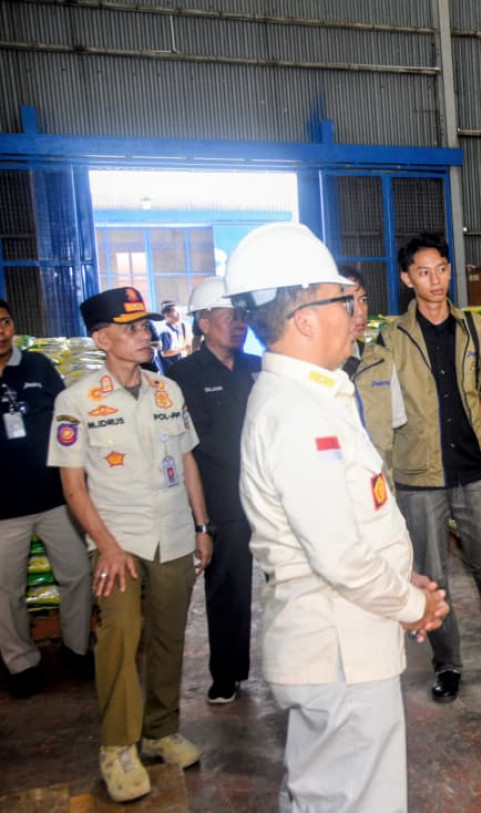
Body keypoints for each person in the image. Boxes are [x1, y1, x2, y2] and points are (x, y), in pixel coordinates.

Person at [224, 222, 448, 812]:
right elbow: (339, 555)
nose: (354, 313)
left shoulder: (316, 396)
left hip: (348, 635)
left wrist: (403, 586)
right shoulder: (300, 414)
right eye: (341, 301)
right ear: (302, 318)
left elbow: (355, 521)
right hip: (338, 646)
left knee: (322, 792)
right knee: (354, 798)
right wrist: (413, 605)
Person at [355, 233, 481, 704]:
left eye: (441, 269)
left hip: (472, 471)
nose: (435, 280)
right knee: (434, 578)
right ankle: (449, 664)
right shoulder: (392, 338)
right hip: (419, 478)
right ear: (406, 278)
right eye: (423, 272)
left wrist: (473, 430)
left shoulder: (477, 329)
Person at [47, 287, 213, 803]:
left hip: (173, 535)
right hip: (116, 540)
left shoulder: (168, 391)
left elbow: (187, 461)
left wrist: (202, 527)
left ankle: (161, 730)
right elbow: (73, 485)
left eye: (145, 325)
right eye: (132, 328)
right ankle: (118, 745)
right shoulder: (76, 400)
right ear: (102, 338)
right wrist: (107, 546)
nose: (146, 334)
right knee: (119, 636)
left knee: (168, 634)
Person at [166, 278, 260, 704]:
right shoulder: (181, 377)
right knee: (228, 589)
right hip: (222, 497)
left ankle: (294, 667)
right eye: (229, 317)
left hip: (268, 491)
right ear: (203, 323)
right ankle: (227, 673)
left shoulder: (257, 367)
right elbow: (184, 450)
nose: (239, 325)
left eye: (242, 317)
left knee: (289, 582)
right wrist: (200, 518)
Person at [0, 300, 93, 698]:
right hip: (4, 509)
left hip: (54, 496)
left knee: (77, 575)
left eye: (5, 321)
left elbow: (67, 416)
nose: (1, 330)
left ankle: (76, 649)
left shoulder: (37, 366)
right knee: (6, 590)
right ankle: (21, 663)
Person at [339, 266, 370, 379]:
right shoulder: (313, 364)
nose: (360, 312)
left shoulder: (380, 359)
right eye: (348, 302)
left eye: (363, 300)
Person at [156, 301, 189, 370]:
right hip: (170, 368)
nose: (179, 314)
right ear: (167, 315)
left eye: (179, 312)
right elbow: (165, 352)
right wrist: (182, 349)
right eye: (176, 312)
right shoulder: (165, 331)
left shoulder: (180, 327)